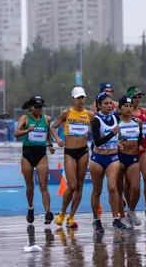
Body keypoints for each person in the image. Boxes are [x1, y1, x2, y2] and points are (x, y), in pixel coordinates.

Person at [51, 86, 94, 228]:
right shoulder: (66, 113)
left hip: (83, 151)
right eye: (78, 98)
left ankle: (71, 217)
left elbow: (101, 127)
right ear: (73, 99)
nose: (81, 100)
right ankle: (62, 212)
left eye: (83, 98)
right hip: (69, 152)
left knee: (80, 185)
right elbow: (53, 127)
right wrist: (57, 138)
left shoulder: (90, 114)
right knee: (72, 185)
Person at [13, 95, 56, 225]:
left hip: (41, 154)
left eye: (41, 107)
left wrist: (50, 145)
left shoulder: (47, 119)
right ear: (31, 107)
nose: (40, 109)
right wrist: (27, 130)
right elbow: (16, 133)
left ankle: (48, 212)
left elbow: (48, 132)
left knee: (44, 186)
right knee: (30, 187)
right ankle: (31, 208)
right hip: (27, 154)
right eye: (37, 107)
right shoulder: (25, 118)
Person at [90, 92, 126, 232]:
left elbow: (119, 132)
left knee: (112, 187)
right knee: (97, 190)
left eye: (110, 103)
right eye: (105, 104)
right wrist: (113, 134)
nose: (109, 106)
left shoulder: (116, 117)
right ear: (98, 106)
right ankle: (96, 219)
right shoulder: (96, 120)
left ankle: (115, 218)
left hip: (112, 158)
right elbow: (97, 142)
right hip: (98, 159)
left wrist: (118, 142)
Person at [127, 86, 146, 217]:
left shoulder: (145, 112)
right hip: (129, 151)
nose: (138, 99)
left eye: (139, 96)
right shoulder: (125, 113)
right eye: (135, 97)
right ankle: (129, 208)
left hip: (143, 149)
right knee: (129, 183)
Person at [116, 95, 143, 227]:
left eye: (130, 106)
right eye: (125, 106)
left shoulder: (137, 122)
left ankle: (131, 212)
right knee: (119, 188)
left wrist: (141, 146)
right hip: (119, 157)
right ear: (120, 108)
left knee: (136, 187)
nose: (128, 109)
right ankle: (121, 216)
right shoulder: (115, 121)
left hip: (133, 158)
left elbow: (140, 139)